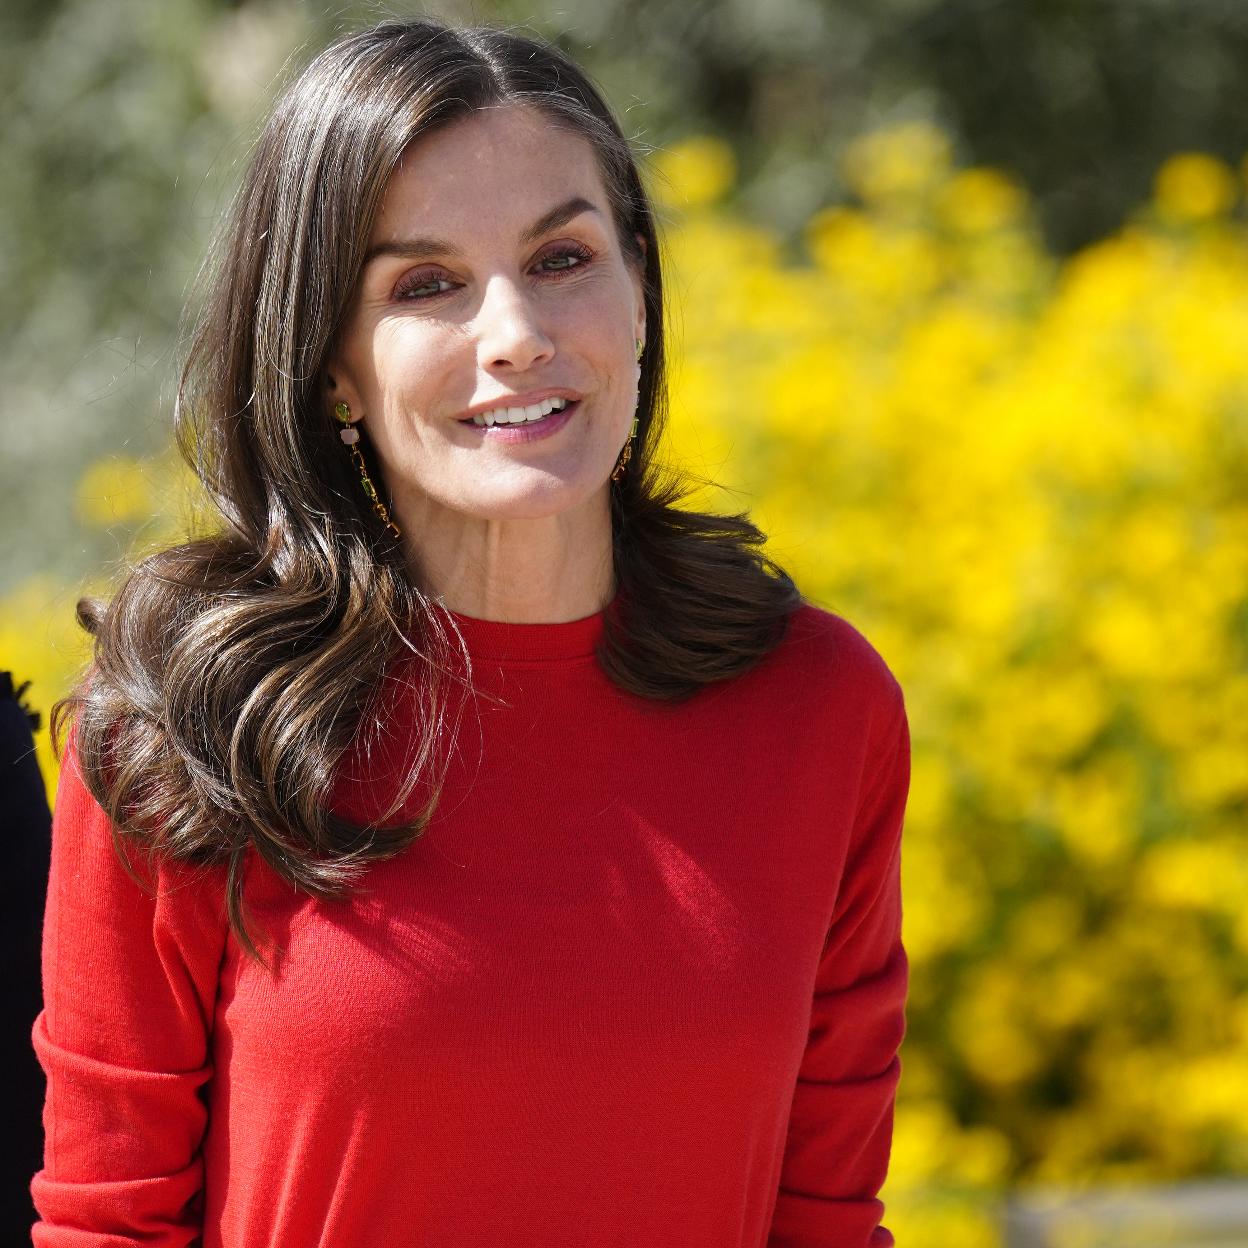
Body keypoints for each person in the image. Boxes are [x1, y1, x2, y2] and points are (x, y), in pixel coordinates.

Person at [31, 16, 911, 1248]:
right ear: (332, 363)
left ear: (640, 288)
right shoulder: (184, 730)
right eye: (426, 284)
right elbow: (104, 1226)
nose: (517, 334)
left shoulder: (822, 710)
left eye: (563, 256)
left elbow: (827, 1223)